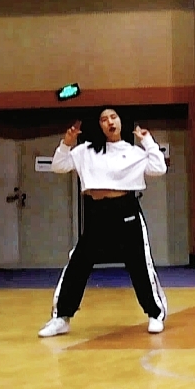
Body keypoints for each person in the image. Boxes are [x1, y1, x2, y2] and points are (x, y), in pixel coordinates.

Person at [38, 106, 168, 337]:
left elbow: (159, 168)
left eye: (113, 117)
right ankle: (61, 317)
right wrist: (66, 143)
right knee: (78, 262)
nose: (110, 122)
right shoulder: (85, 151)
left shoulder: (133, 152)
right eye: (104, 119)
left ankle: (155, 313)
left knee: (139, 263)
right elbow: (59, 166)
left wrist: (148, 142)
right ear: (98, 125)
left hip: (125, 209)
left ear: (121, 122)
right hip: (97, 211)